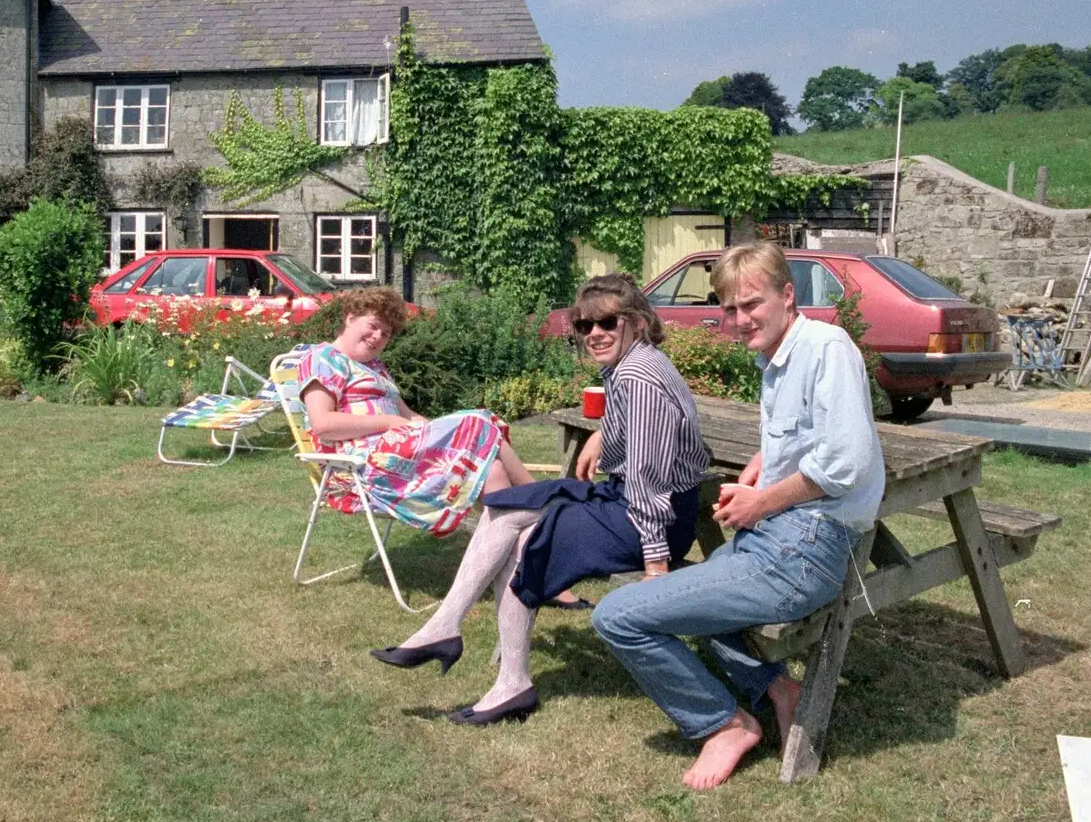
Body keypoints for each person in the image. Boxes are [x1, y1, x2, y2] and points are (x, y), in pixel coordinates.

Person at [590, 241, 885, 791]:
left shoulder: (826, 346)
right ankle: (776, 689)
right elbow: (810, 435)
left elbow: (848, 461)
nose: (740, 319)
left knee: (617, 617)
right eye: (729, 309)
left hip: (805, 549)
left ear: (788, 295)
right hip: (780, 538)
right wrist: (765, 461)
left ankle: (724, 725)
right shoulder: (775, 360)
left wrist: (762, 501)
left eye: (752, 303)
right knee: (692, 603)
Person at [369, 274, 711, 726]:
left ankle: (500, 674)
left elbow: (648, 476)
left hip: (651, 519)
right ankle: (450, 632)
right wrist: (602, 433)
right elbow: (647, 437)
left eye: (607, 321)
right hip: (627, 498)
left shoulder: (638, 377)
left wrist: (655, 564)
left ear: (638, 322)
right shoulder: (631, 366)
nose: (594, 334)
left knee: (526, 539)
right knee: (504, 508)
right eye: (583, 325)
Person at [298, 287, 533, 539]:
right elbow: (322, 423)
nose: (378, 337)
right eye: (374, 325)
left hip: (398, 455)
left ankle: (517, 550)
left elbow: (409, 417)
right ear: (350, 318)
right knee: (480, 422)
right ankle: (542, 500)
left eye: (386, 333)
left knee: (492, 468)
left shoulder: (375, 367)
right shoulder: (324, 358)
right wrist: (388, 422)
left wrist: (441, 432)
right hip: (359, 468)